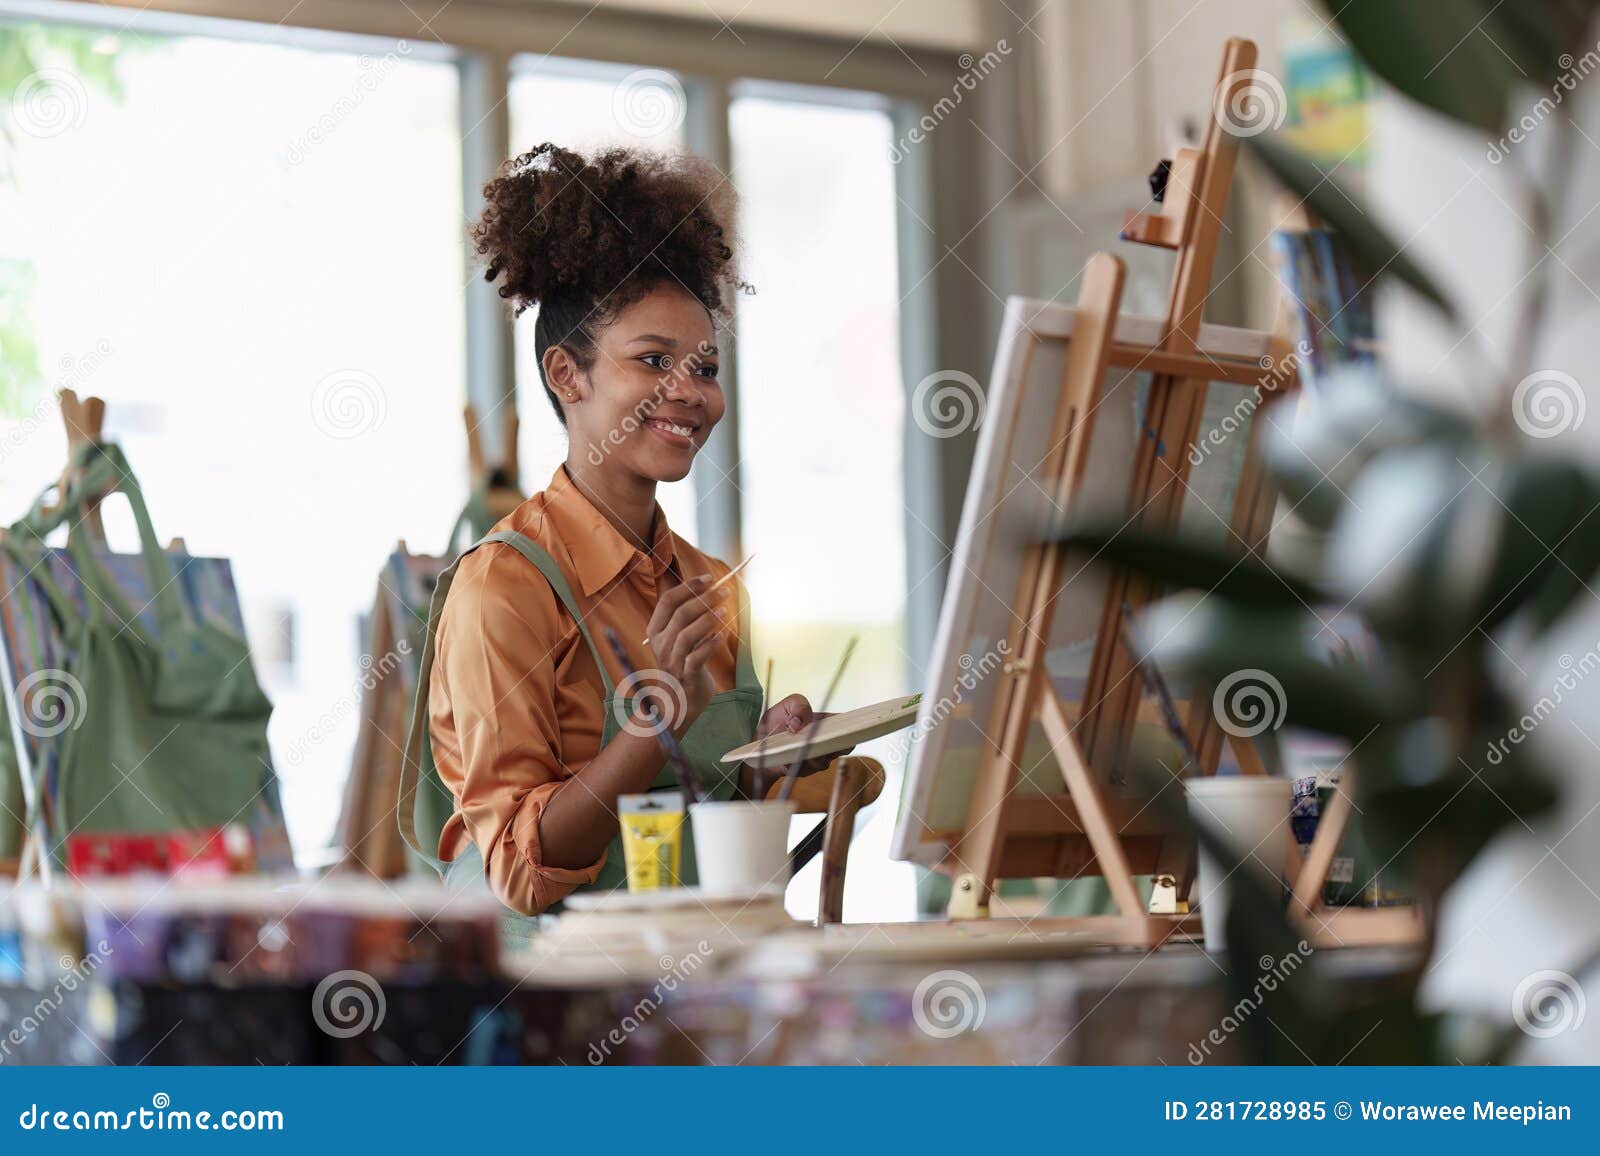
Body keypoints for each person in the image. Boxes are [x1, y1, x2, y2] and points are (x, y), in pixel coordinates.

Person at [414, 143, 836, 917]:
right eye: (652, 361)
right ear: (566, 375)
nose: (688, 394)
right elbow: (519, 876)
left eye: (704, 368)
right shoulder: (504, 588)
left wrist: (762, 761)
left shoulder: (707, 583)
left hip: (692, 991)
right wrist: (656, 718)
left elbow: (695, 818)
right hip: (554, 1012)